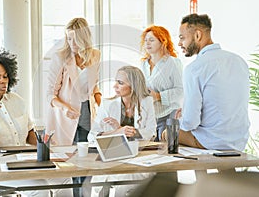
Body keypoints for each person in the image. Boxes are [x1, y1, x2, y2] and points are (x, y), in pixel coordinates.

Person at [0, 48, 72, 197]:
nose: (3, 81)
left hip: (23, 163)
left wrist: (47, 146)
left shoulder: (17, 100)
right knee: (40, 189)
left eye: (5, 76)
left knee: (65, 178)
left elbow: (29, 135)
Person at [165, 13, 250, 151]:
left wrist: (183, 117)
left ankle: (199, 172)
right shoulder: (239, 61)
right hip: (239, 141)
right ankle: (225, 171)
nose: (179, 43)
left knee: (168, 132)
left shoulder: (194, 68)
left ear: (198, 35)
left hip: (211, 141)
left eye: (182, 38)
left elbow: (190, 123)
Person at [45, 17, 101, 197]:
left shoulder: (95, 55)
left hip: (87, 112)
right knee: (67, 164)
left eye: (75, 39)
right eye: (68, 38)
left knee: (86, 163)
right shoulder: (60, 57)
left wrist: (103, 102)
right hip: (65, 117)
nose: (72, 43)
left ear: (84, 38)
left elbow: (95, 87)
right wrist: (64, 108)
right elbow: (50, 95)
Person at [87, 66, 156, 197]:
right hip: (113, 155)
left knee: (139, 177)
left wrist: (131, 132)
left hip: (138, 156)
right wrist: (118, 131)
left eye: (120, 83)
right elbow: (91, 136)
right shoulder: (107, 104)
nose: (115, 86)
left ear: (134, 86)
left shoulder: (146, 102)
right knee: (126, 179)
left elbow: (151, 131)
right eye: (116, 81)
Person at [140, 25, 183, 141]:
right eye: (146, 40)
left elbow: (180, 91)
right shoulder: (143, 64)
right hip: (149, 115)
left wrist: (158, 96)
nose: (147, 43)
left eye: (152, 40)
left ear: (162, 41)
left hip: (168, 114)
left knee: (166, 149)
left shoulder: (173, 63)